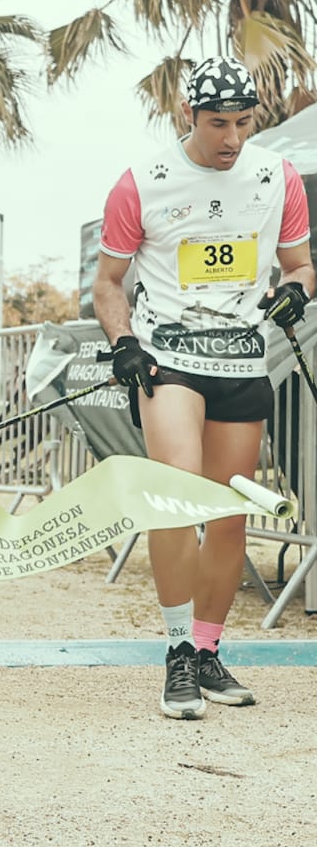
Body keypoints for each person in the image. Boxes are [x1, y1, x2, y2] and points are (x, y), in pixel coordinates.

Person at [94, 56, 314, 720]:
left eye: (244, 123)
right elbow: (108, 282)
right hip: (171, 363)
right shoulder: (142, 183)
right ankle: (176, 654)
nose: (231, 139)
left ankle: (209, 651)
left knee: (227, 514)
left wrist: (295, 295)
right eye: (218, 124)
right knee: (176, 496)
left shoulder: (278, 177)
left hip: (243, 363)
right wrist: (124, 343)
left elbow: (301, 265)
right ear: (189, 116)